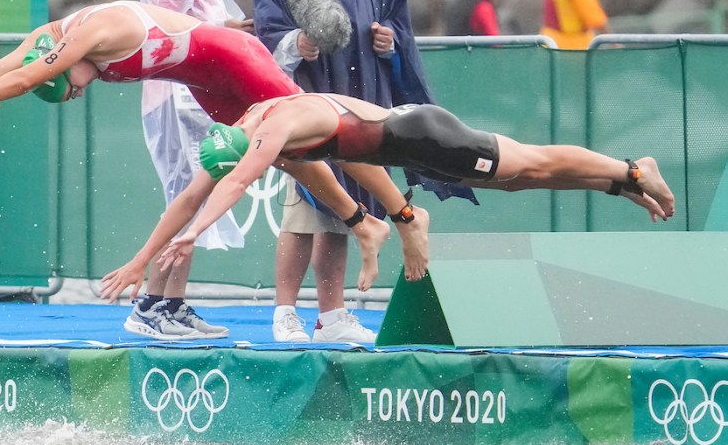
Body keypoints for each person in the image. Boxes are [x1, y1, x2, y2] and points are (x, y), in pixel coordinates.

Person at [0, 1, 433, 330]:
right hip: (203, 81)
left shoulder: (88, 35)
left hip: (231, 58)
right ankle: (363, 223)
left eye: (72, 89)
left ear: (64, 65)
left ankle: (405, 219)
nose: (82, 93)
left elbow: (18, 82)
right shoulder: (46, 44)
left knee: (328, 132)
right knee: (292, 158)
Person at [98, 94, 675, 313]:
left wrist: (198, 235)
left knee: (529, 165)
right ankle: (618, 183)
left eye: (262, 160)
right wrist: (141, 258)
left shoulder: (271, 128)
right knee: (519, 180)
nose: (270, 165)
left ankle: (631, 169)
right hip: (408, 145)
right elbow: (195, 192)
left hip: (428, 136)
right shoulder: (247, 128)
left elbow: (233, 185)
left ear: (249, 144)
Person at [253, 0, 473, 344]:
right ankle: (285, 312)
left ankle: (331, 316)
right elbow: (266, 33)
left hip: (365, 102)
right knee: (303, 211)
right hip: (310, 106)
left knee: (342, 212)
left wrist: (388, 42)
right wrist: (296, 45)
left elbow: (396, 15)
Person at [126, 0, 255, 340]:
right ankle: (151, 305)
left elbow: (203, 26)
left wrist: (229, 29)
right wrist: (223, 31)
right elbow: (167, 36)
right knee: (184, 200)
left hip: (197, 93)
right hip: (173, 97)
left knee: (194, 200)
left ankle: (171, 303)